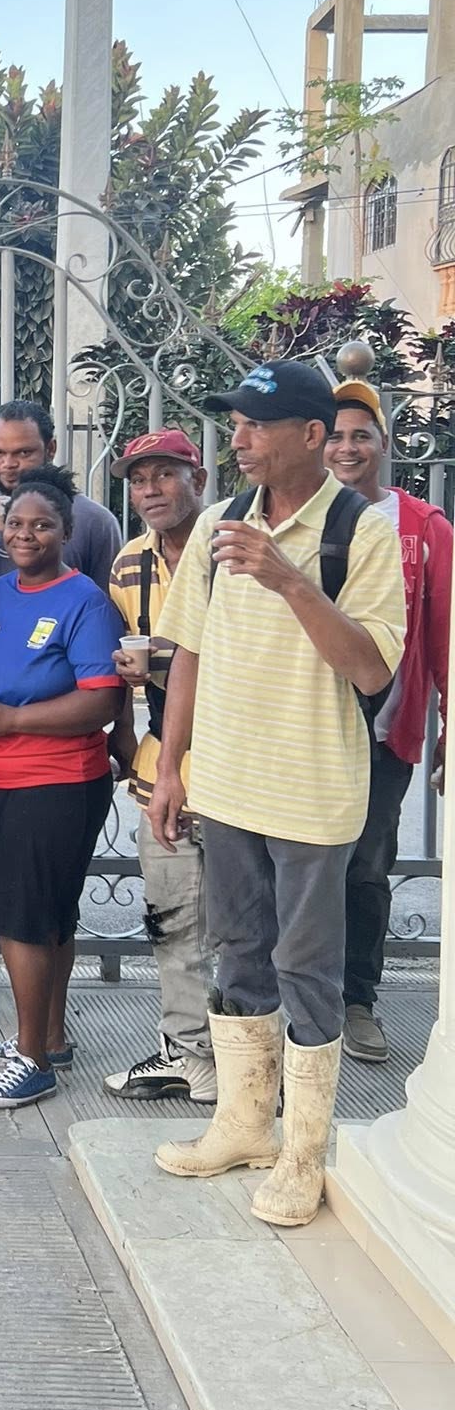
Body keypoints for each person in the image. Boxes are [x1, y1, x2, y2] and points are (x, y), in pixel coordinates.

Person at [150, 360, 405, 1228]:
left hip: (313, 791)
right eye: (236, 424)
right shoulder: (219, 521)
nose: (240, 439)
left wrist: (290, 578)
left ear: (312, 436)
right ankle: (244, 1124)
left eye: (256, 425)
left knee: (307, 968)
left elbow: (371, 668)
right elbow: (186, 651)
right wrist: (172, 767)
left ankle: (304, 1151)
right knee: (239, 954)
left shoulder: (359, 531)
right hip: (228, 785)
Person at [0, 398, 124, 1008]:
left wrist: (119, 730)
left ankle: (38, 1031)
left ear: (51, 451)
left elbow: (108, 642)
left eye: (24, 452)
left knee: (33, 903)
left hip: (53, 751)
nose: (10, 465)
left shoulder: (92, 528)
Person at [0, 466, 125, 1107]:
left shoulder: (85, 601)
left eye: (42, 525)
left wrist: (9, 720)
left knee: (25, 921)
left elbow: (102, 700)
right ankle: (49, 1037)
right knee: (49, 914)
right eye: (16, 524)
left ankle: (31, 1062)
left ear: (67, 532)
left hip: (58, 781)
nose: (26, 535)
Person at [325, 378, 450, 1065]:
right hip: (302, 727)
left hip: (384, 731)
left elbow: (445, 635)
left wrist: (447, 725)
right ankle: (292, 998)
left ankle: (357, 1000)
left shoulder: (424, 528)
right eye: (335, 435)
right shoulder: (298, 519)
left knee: (366, 867)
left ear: (383, 443)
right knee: (293, 866)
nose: (346, 448)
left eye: (360, 436)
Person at [103, 429, 217, 1105]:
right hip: (161, 772)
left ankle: (254, 1059)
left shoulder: (232, 548)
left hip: (238, 770)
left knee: (248, 929)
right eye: (139, 480)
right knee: (172, 921)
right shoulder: (128, 565)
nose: (150, 490)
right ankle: (189, 1054)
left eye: (165, 475)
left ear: (197, 479)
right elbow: (127, 663)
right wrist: (130, 675)